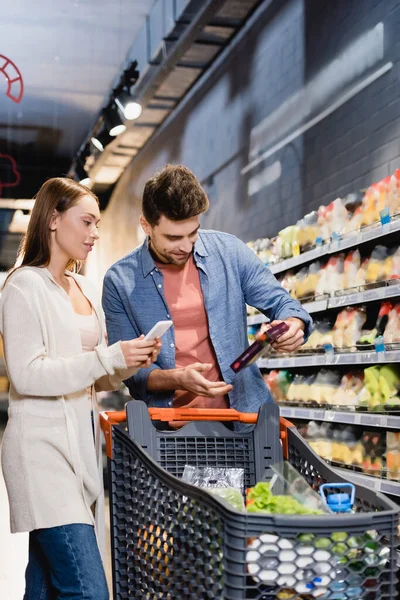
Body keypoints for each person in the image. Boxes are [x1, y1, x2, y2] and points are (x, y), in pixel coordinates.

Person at [0, 178, 161, 599]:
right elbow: (28, 375)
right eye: (86, 222)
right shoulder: (23, 286)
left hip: (81, 451)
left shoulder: (87, 288)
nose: (94, 234)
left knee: (47, 584)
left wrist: (129, 361)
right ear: (53, 219)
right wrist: (109, 358)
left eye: (97, 224)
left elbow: (99, 377)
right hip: (41, 453)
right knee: (87, 588)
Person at [102, 164, 312, 418]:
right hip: (169, 429)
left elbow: (282, 303)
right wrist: (178, 379)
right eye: (173, 238)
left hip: (244, 418)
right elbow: (130, 373)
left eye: (192, 234)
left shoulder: (229, 252)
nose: (186, 247)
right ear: (146, 226)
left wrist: (293, 325)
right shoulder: (120, 281)